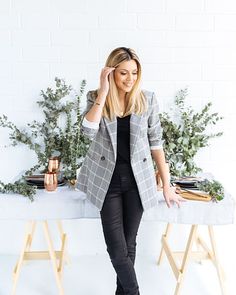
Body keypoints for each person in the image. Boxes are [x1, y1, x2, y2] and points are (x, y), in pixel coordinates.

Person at [76, 47, 185, 295]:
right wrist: (104, 92)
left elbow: (156, 143)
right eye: (123, 73)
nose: (130, 79)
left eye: (134, 73)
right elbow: (87, 132)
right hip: (107, 181)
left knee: (128, 244)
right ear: (111, 73)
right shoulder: (96, 97)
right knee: (116, 247)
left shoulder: (147, 99)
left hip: (138, 181)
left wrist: (166, 184)